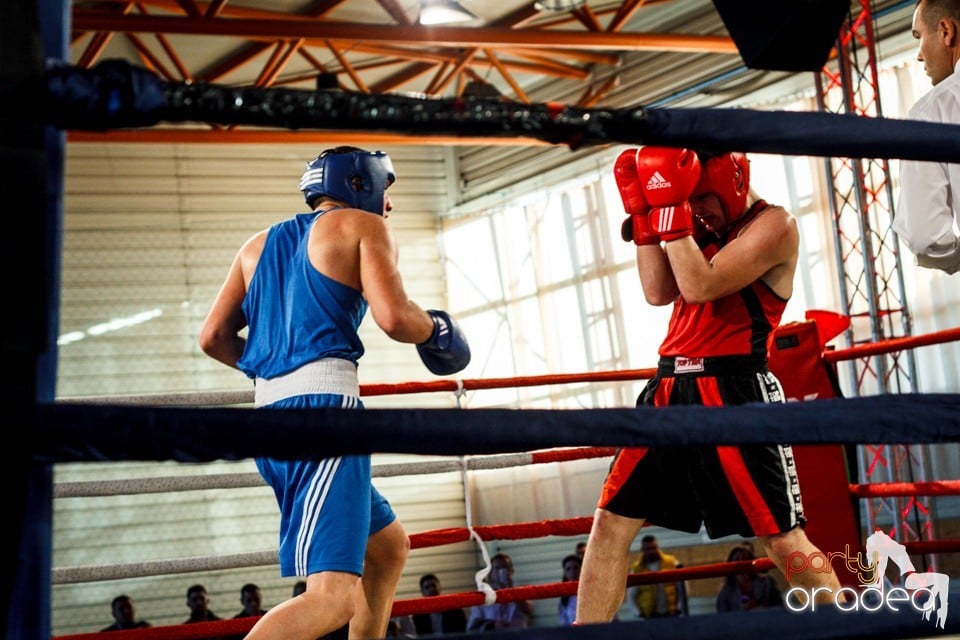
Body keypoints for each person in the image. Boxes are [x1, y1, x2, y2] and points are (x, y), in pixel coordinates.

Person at [199, 146, 471, 640]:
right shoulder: (363, 228)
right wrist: (436, 328)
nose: (388, 205)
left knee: (388, 548)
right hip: (325, 418)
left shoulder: (255, 246)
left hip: (271, 419)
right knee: (334, 598)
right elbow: (394, 317)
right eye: (385, 190)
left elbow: (212, 338)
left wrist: (275, 374)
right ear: (360, 184)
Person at [574, 146, 845, 625]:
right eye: (688, 198)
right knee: (609, 525)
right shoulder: (698, 227)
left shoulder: (775, 226)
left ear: (731, 181)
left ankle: (856, 629)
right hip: (668, 388)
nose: (697, 210)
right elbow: (659, 292)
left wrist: (671, 208)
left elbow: (700, 285)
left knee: (782, 539)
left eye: (702, 198)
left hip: (733, 390)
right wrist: (646, 214)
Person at [893, 0, 960, 274]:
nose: (919, 55)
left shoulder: (933, 110)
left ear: (946, 31)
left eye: (919, 37)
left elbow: (926, 236)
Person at [466, 552, 532, 632]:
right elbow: (472, 627)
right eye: (497, 569)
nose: (502, 572)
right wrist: (493, 625)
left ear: (511, 571)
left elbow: (528, 610)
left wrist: (512, 591)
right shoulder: (482, 596)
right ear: (490, 574)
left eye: (505, 568)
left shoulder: (520, 592)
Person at [627, 535, 684, 619]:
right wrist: (638, 613)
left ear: (658, 547)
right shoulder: (636, 569)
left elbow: (682, 588)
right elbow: (631, 595)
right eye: (648, 549)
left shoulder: (672, 563)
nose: (652, 551)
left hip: (671, 613)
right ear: (642, 550)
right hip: (650, 616)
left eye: (654, 548)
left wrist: (679, 607)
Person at [716, 543, 783, 612]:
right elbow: (722, 616)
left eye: (744, 559)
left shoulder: (767, 583)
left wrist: (761, 608)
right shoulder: (726, 591)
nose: (741, 563)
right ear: (730, 565)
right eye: (737, 560)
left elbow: (780, 607)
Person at [557, 554, 582, 626]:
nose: (573, 572)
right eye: (568, 569)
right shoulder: (564, 599)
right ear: (565, 573)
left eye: (576, 568)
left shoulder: (594, 592)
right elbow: (564, 624)